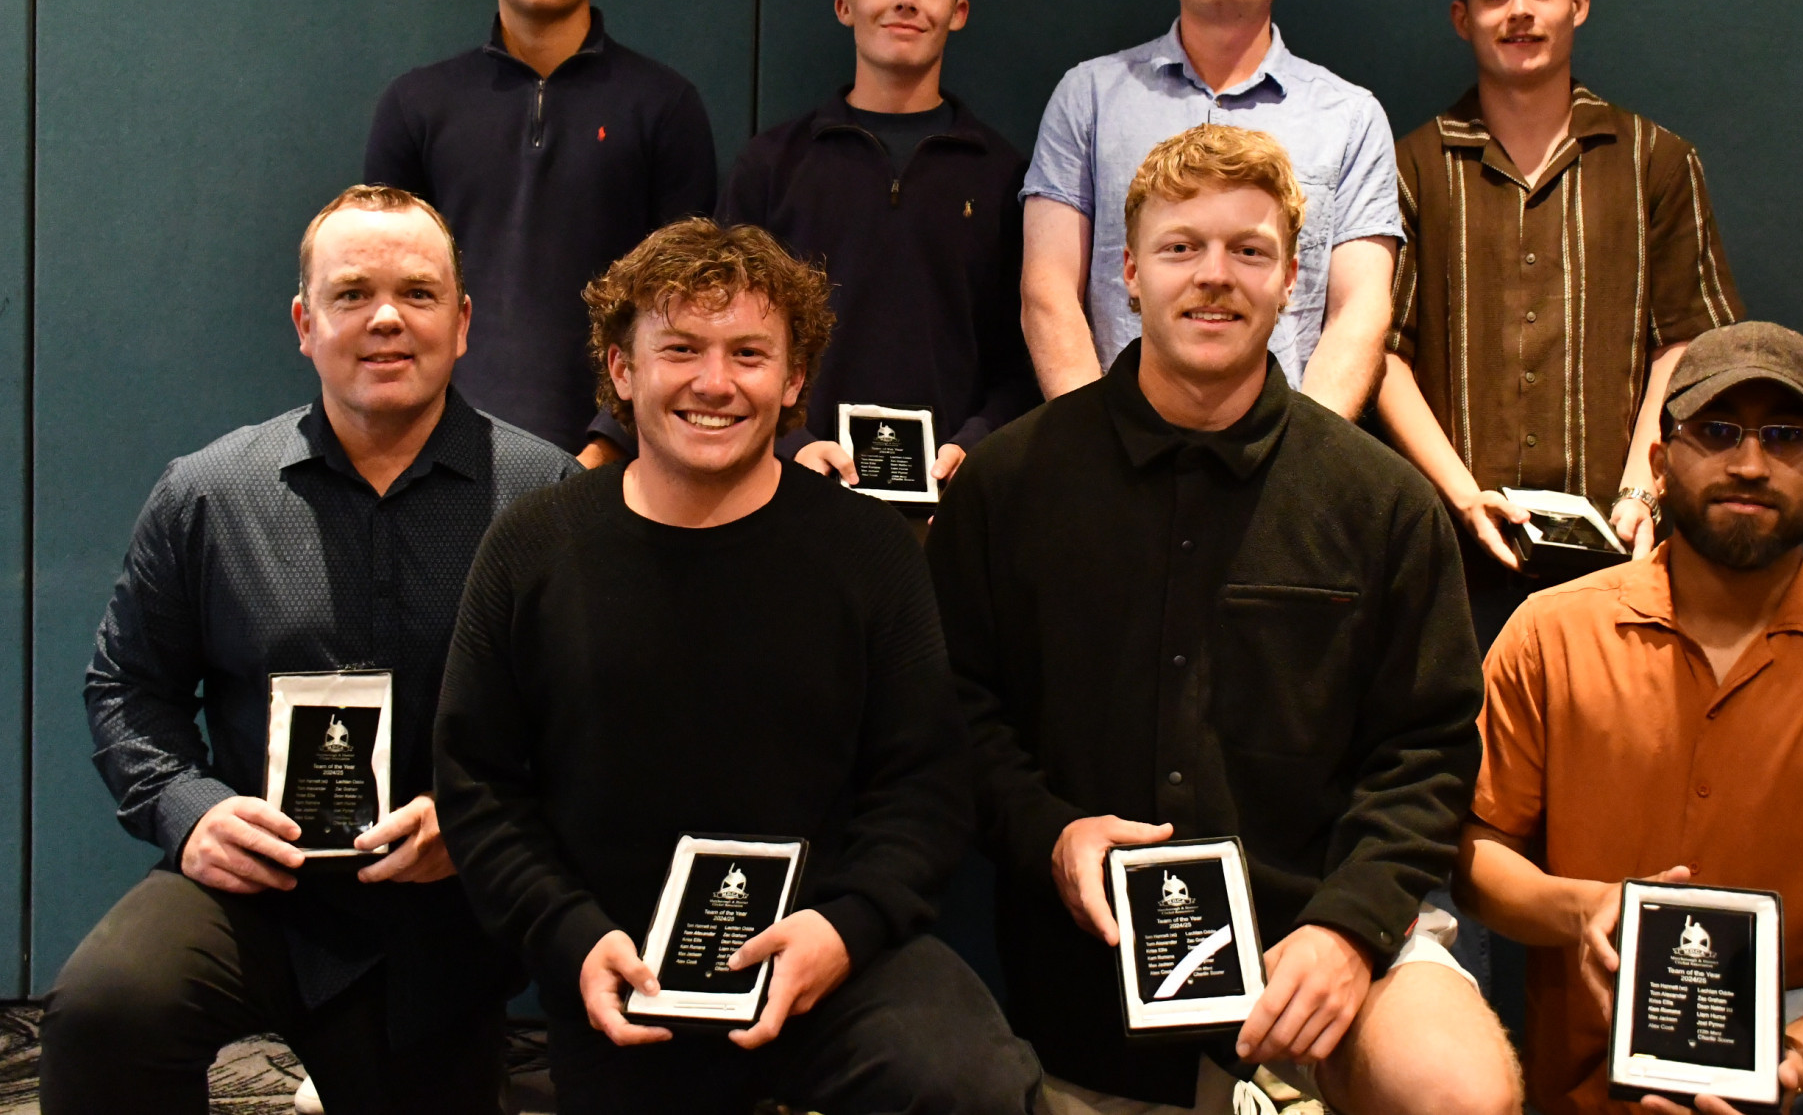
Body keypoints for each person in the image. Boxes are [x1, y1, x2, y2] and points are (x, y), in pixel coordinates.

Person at [930, 124, 1520, 1115]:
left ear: (1290, 278)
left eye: (1247, 251)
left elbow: (1424, 753)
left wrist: (1350, 928)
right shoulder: (1010, 485)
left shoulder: (1379, 502)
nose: (1213, 277)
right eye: (1179, 248)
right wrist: (1050, 834)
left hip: (1323, 938)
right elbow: (954, 713)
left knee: (1451, 1090)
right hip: (1088, 967)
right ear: (1124, 273)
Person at [433, 218, 1040, 1113]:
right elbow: (478, 785)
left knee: (974, 1085)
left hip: (833, 957)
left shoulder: (871, 551)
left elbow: (926, 785)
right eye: (680, 348)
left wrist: (847, 926)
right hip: (621, 972)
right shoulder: (531, 547)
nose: (715, 383)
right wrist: (568, 935)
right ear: (621, 368)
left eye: (749, 353)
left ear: (794, 378)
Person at [39, 186, 579, 1115]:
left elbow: (589, 718)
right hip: (259, 893)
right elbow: (128, 688)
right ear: (303, 321)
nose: (385, 319)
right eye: (351, 293)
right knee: (105, 1011)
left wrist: (479, 819)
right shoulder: (206, 493)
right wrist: (193, 810)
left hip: (444, 908)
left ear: (462, 321)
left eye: (417, 293)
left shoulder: (548, 501)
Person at [1456, 321, 1803, 1115]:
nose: (1750, 463)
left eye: (1786, 436)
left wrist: (1787, 1060)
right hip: (1606, 1050)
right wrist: (1591, 908)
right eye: (1716, 431)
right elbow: (1476, 857)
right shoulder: (1550, 634)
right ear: (1660, 462)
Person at [1376, 0, 1743, 644]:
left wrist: (1643, 489)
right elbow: (1382, 352)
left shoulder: (1656, 160)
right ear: (1462, 18)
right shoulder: (1410, 165)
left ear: (1577, 4)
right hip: (1451, 560)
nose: (1519, 10)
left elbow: (1690, 342)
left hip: (1619, 550)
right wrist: (1463, 497)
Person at [1019, 0, 1400, 418]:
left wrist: (1305, 457)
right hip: (1114, 449)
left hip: (1284, 456)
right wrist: (1093, 441)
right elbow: (1047, 292)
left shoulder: (1351, 117)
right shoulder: (1089, 97)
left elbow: (1361, 312)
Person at [365, 0, 716, 461]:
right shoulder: (416, 105)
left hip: (614, 462)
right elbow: (387, 290)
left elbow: (681, 300)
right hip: (439, 456)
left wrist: (609, 441)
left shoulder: (665, 106)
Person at [718, 0, 1036, 492]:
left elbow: (1022, 357)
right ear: (846, 5)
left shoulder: (1004, 177)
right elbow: (726, 334)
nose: (906, 0)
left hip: (953, 500)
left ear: (959, 11)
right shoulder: (771, 165)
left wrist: (979, 445)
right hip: (791, 488)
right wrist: (788, 445)